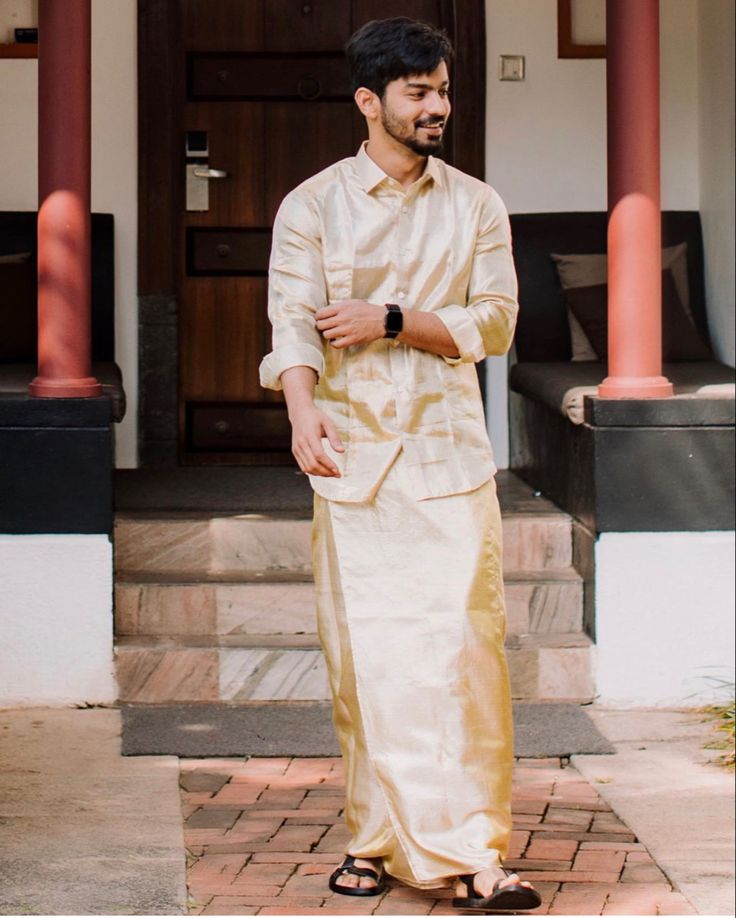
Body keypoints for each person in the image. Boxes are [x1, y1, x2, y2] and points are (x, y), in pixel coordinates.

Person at [259, 16, 541, 912]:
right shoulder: (312, 205)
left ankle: (478, 853)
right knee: (368, 660)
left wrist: (392, 320)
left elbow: (494, 322)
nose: (437, 108)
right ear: (369, 101)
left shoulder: (476, 205)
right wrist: (302, 415)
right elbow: (292, 321)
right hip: (351, 459)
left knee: (463, 652)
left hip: (449, 456)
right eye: (419, 92)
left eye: (443, 91)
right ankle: (374, 840)